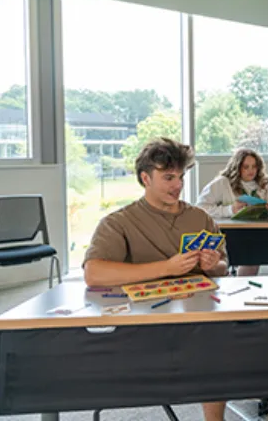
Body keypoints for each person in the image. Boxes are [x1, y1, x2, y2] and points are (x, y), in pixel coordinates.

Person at [83, 138, 230, 421]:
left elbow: (223, 266)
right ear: (145, 178)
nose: (178, 185)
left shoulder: (200, 218)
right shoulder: (118, 222)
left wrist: (213, 265)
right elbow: (94, 274)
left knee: (221, 343)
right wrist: (166, 267)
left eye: (181, 177)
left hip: (201, 322)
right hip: (145, 326)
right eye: (168, 177)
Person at [197, 148, 268, 275]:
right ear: (237, 167)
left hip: (265, 232)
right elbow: (201, 207)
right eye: (246, 167)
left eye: (254, 166)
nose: (251, 171)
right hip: (235, 233)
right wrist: (230, 210)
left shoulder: (265, 183)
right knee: (250, 256)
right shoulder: (222, 183)